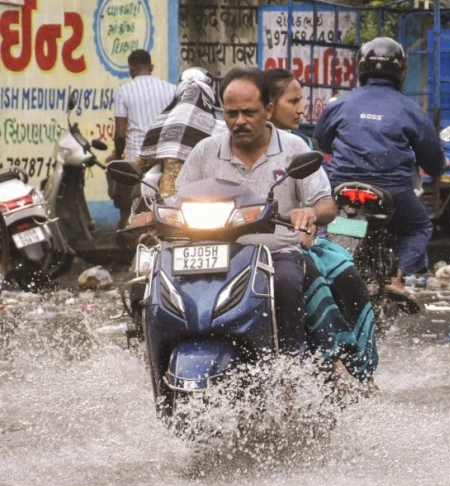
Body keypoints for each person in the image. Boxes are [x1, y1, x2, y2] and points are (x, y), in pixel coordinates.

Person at [176, 67, 336, 356]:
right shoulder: (204, 151)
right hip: (214, 254)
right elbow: (179, 200)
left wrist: (310, 212)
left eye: (249, 112)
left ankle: (289, 367)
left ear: (268, 109)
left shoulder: (293, 148)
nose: (239, 121)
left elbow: (327, 204)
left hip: (274, 254)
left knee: (287, 284)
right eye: (231, 113)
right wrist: (154, 215)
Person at [265, 66, 379, 382]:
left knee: (343, 266)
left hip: (337, 202)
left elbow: (323, 199)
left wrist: (310, 216)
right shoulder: (216, 149)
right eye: (294, 101)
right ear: (269, 106)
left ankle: (356, 365)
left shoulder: (301, 142)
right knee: (416, 227)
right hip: (358, 200)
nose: (302, 108)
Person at [313, 36, 446, 298]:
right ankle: (397, 279)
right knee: (419, 227)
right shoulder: (411, 110)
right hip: (391, 190)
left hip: (340, 185)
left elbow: (323, 142)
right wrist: (440, 165)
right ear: (401, 71)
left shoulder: (341, 103)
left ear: (361, 67)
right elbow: (432, 161)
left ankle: (317, 271)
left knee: (323, 222)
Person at [107, 49, 177, 226]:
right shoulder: (171, 89)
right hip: (164, 157)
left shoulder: (124, 91)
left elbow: (120, 134)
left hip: (137, 160)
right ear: (151, 66)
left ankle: (126, 235)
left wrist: (117, 155)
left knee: (129, 208)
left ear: (131, 69)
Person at [136, 67, 226, 200]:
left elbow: (142, 161)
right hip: (208, 200)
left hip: (169, 200)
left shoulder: (166, 120)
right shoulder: (221, 124)